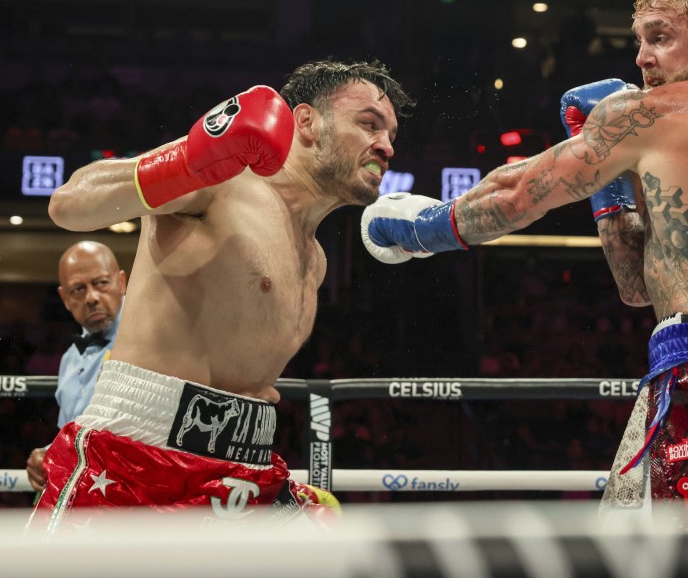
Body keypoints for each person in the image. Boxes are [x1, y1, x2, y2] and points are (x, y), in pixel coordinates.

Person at [362, 0, 688, 527]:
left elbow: (518, 192)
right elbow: (637, 287)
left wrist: (421, 230)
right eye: (639, 41)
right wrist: (611, 185)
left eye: (661, 37)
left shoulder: (664, 112)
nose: (643, 59)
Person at [29, 60, 413, 532]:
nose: (386, 146)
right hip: (137, 457)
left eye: (392, 133)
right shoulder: (225, 180)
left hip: (244, 471)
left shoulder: (315, 260)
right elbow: (69, 203)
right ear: (308, 122)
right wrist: (188, 162)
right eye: (369, 124)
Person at [25, 241, 126, 493]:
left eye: (101, 283)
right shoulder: (69, 359)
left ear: (122, 283)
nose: (91, 298)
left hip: (133, 492)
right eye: (78, 290)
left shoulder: (146, 341)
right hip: (87, 494)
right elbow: (73, 435)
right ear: (65, 299)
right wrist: (46, 454)